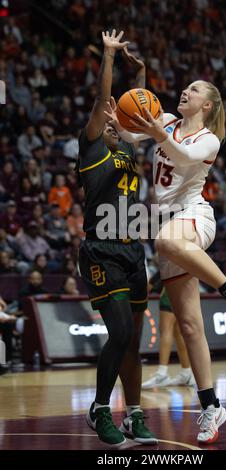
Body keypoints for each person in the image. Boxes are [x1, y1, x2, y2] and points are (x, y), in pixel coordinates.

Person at [107, 78, 226, 444]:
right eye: (186, 88)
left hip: (194, 215)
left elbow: (183, 156)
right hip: (169, 225)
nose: (185, 92)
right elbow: (134, 138)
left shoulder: (209, 139)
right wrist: (121, 123)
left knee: (165, 240)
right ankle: (211, 407)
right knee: (190, 325)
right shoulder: (169, 121)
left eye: (194, 91)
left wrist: (159, 132)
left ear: (207, 105)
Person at [77, 30, 156, 447]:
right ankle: (100, 408)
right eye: (107, 118)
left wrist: (140, 72)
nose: (113, 118)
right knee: (121, 332)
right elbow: (103, 101)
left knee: (133, 342)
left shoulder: (126, 150)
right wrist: (109, 57)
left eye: (116, 118)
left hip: (132, 249)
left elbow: (138, 109)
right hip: (100, 249)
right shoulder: (92, 150)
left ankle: (135, 414)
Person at [142, 274, 195, 389]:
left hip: (171, 290)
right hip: (186, 290)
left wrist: (148, 287)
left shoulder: (172, 257)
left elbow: (161, 271)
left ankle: (162, 374)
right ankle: (186, 373)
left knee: (166, 330)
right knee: (178, 333)